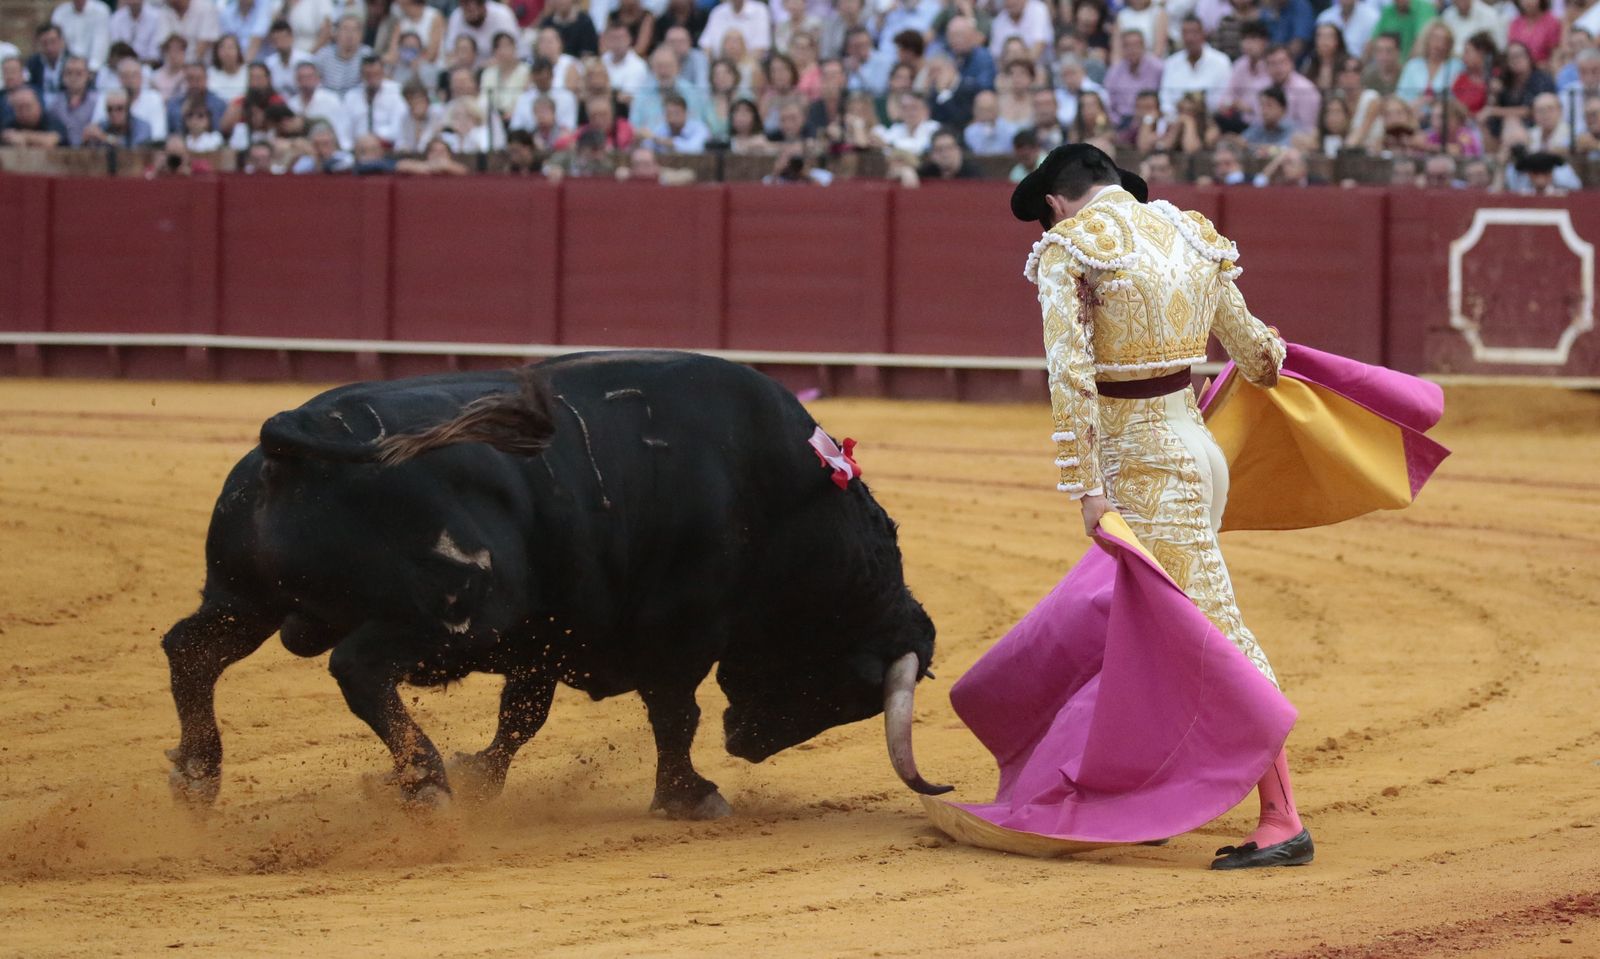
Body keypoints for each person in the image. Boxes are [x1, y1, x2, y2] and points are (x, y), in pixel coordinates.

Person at [1012, 143, 1305, 869]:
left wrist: (1086, 486)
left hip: (1146, 468)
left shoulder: (1069, 249)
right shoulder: (1192, 233)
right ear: (1117, 184)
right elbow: (1260, 357)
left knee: (1210, 626)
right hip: (1198, 451)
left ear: (1056, 200)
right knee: (1150, 627)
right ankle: (1152, 791)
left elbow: (1070, 374)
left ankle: (1282, 816)